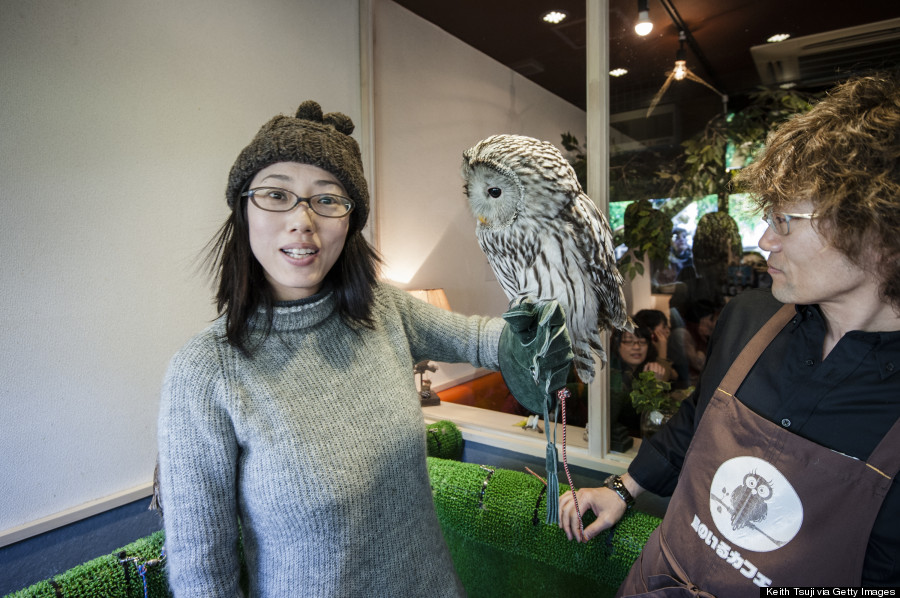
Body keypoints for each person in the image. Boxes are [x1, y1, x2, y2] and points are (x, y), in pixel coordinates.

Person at [156, 101, 568, 597]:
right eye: (276, 194)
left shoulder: (383, 309)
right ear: (243, 209)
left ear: (350, 223)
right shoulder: (206, 372)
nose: (302, 220)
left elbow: (482, 339)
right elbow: (203, 576)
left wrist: (545, 322)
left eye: (327, 200)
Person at [559, 73, 900, 593]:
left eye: (785, 220)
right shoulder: (749, 319)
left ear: (878, 229)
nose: (765, 240)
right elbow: (696, 418)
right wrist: (623, 488)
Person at [609, 325, 678, 440]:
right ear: (617, 344)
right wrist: (654, 386)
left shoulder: (651, 369)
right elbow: (635, 418)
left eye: (642, 342)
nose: (636, 347)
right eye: (628, 341)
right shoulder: (612, 375)